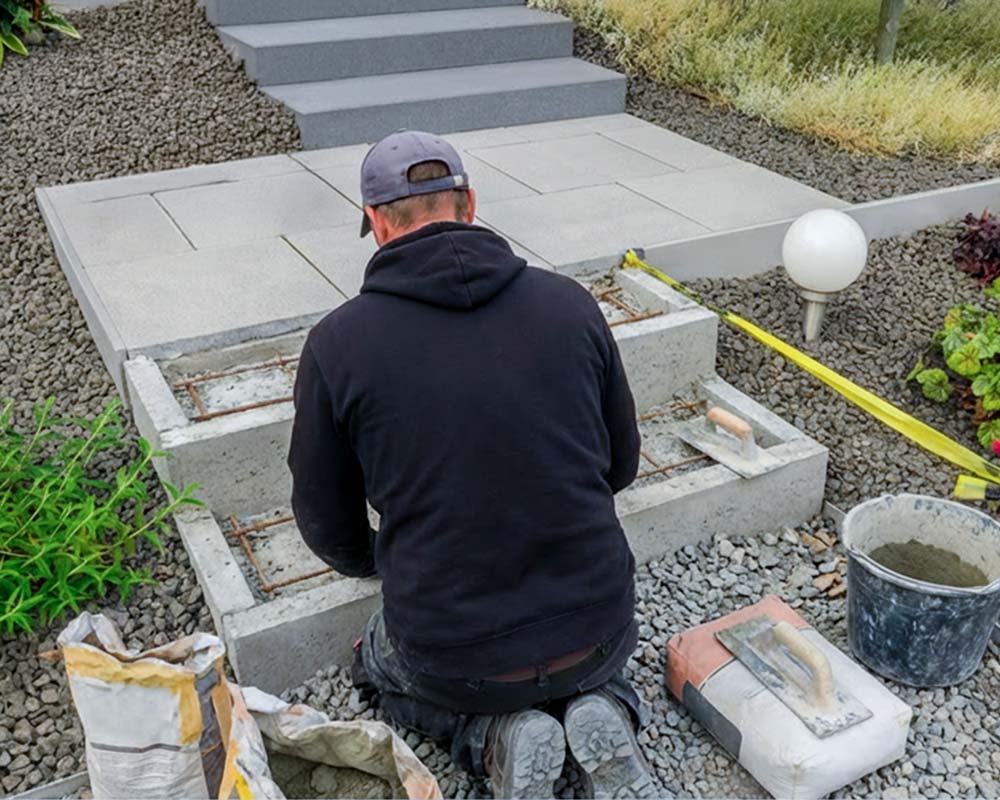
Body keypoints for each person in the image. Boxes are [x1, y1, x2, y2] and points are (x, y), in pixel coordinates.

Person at [287, 130, 657, 799]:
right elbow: (621, 465)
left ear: (374, 221)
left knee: (374, 661)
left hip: (456, 657)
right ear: (471, 203)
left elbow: (325, 522)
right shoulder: (569, 303)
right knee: (583, 666)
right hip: (600, 627)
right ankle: (610, 709)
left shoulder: (337, 346)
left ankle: (490, 738)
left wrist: (386, 558)